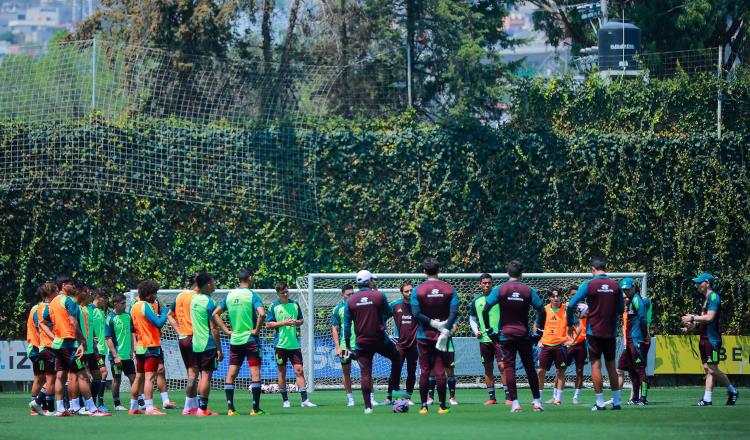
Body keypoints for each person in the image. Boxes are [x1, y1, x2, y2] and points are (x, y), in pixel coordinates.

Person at [40, 276, 108, 416]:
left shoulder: (52, 303)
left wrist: (53, 337)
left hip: (58, 344)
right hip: (70, 344)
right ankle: (93, 409)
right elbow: (73, 322)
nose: (74, 286)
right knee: (82, 375)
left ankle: (60, 409)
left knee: (61, 376)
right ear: (64, 285)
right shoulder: (68, 301)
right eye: (71, 284)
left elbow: (42, 323)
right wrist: (82, 341)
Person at [482, 260, 545, 412]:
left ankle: (515, 403)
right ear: (521, 273)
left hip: (506, 335)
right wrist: (539, 333)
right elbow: (542, 311)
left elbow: (485, 310)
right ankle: (537, 401)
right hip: (524, 335)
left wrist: (490, 331)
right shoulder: (528, 290)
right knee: (530, 367)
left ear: (508, 273)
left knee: (509, 368)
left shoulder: (500, 289)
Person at [566, 257, 624, 411]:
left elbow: (571, 305)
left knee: (596, 365)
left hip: (594, 332)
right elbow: (620, 309)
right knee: (611, 366)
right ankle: (616, 402)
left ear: (592, 269)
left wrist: (570, 323)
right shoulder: (615, 286)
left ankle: (599, 402)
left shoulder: (589, 284)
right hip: (610, 332)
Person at [343, 270, 401, 414]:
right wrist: (378, 319)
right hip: (380, 339)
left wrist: (349, 346)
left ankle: (368, 407)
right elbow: (389, 312)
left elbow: (346, 326)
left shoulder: (350, 300)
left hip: (362, 342)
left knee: (365, 374)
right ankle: (393, 394)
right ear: (369, 281)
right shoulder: (378, 295)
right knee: (397, 357)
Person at [211, 268, 266, 415]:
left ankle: (230, 409)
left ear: (238, 280)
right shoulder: (252, 295)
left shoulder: (230, 295)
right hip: (250, 340)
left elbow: (215, 313)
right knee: (255, 374)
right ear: (250, 278)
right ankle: (255, 409)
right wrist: (256, 330)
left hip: (235, 341)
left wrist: (226, 330)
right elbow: (262, 313)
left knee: (231, 374)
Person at [680, 273, 739, 406]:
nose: (696, 285)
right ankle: (707, 399)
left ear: (707, 283)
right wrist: (691, 327)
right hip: (704, 338)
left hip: (712, 340)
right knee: (708, 368)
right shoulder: (706, 299)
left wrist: (693, 317)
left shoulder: (713, 296)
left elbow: (710, 318)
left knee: (712, 369)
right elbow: (704, 322)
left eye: (699, 282)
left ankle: (732, 390)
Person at [411, 258, 459, 415]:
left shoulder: (417, 290)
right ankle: (442, 406)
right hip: (441, 336)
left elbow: (416, 313)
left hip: (424, 335)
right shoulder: (449, 289)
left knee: (424, 371)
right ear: (439, 270)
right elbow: (453, 313)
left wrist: (432, 323)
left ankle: (424, 406)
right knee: (440, 370)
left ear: (424, 271)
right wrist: (444, 329)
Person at [266, 281, 316, 408]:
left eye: (287, 291)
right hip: (280, 345)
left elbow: (301, 320)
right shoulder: (274, 306)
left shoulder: (295, 304)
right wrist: (283, 323)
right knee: (282, 372)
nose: (286, 294)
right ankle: (285, 400)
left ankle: (304, 400)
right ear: (278, 294)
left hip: (294, 345)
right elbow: (268, 324)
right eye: (283, 292)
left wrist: (296, 322)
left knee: (299, 370)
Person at [129, 279, 169, 415]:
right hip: (150, 346)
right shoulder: (145, 306)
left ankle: (133, 407)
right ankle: (150, 408)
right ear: (148, 295)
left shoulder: (134, 306)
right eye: (154, 293)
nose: (155, 296)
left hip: (140, 346)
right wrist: (165, 312)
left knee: (139, 377)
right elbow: (158, 323)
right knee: (149, 378)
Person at [469, 274, 508, 405]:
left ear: (492, 284)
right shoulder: (476, 301)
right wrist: (476, 331)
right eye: (484, 283)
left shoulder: (499, 299)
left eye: (489, 283)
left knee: (503, 366)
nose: (486, 285)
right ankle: (492, 397)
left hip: (499, 339)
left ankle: (508, 397)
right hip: (484, 340)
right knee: (488, 367)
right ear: (480, 284)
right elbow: (472, 319)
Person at [190, 272, 222, 416]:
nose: (215, 284)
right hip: (207, 344)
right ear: (208, 284)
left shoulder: (194, 299)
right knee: (206, 377)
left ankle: (199, 407)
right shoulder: (210, 303)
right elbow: (214, 328)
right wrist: (219, 349)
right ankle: (202, 409)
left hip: (196, 344)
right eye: (213, 281)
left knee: (201, 376)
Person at [615, 278, 651, 405]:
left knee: (640, 369)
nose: (626, 291)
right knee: (628, 369)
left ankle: (643, 398)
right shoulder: (630, 301)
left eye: (627, 289)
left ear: (634, 287)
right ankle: (634, 397)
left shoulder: (636, 300)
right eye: (624, 289)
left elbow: (643, 319)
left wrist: (645, 336)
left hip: (637, 341)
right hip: (630, 342)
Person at [168, 273, 200, 415]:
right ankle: (188, 407)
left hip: (183, 338)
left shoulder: (180, 296)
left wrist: (179, 330)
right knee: (194, 374)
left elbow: (169, 314)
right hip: (193, 337)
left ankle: (194, 405)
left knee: (192, 372)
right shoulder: (196, 297)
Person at [331, 284, 365, 407]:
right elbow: (334, 329)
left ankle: (371, 398)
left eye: (352, 294)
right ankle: (350, 399)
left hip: (360, 344)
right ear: (342, 295)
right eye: (348, 294)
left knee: (366, 371)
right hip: (345, 346)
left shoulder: (359, 306)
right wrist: (338, 347)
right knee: (346, 372)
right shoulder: (337, 309)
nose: (351, 296)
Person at [534, 288, 568, 405]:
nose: (555, 298)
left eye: (558, 296)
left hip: (560, 345)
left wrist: (570, 339)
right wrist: (538, 340)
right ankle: (538, 398)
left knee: (560, 372)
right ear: (549, 298)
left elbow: (575, 325)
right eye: (553, 296)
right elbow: (536, 325)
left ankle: (558, 398)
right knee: (540, 371)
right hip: (546, 345)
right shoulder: (544, 310)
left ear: (561, 297)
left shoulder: (566, 309)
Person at [29, 282, 58, 415]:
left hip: (42, 346)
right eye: (56, 291)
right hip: (44, 347)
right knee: (44, 378)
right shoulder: (43, 308)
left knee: (47, 378)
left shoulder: (37, 308)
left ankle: (40, 404)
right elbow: (41, 327)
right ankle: (40, 405)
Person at [105, 293, 136, 411]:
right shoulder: (110, 318)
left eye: (125, 303)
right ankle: (117, 404)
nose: (124, 306)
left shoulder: (128, 316)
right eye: (122, 304)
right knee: (116, 379)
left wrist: (132, 349)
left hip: (127, 356)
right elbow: (108, 338)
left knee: (133, 378)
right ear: (115, 304)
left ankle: (138, 400)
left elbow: (131, 333)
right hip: (116, 357)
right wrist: (115, 355)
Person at [389, 282, 418, 405]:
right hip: (400, 345)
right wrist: (387, 334)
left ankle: (408, 397)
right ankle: (394, 397)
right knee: (396, 371)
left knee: (411, 372)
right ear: (402, 293)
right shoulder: (395, 305)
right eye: (407, 291)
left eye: (411, 290)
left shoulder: (418, 306)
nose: (410, 293)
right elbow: (381, 317)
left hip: (414, 345)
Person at [88, 287, 110, 411]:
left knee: (98, 375)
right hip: (95, 349)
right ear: (99, 297)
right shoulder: (90, 309)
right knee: (103, 373)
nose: (106, 301)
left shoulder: (101, 311)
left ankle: (93, 403)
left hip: (102, 348)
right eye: (105, 298)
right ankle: (97, 403)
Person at [566, 298, 588, 404]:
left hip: (581, 344)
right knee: (560, 369)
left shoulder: (585, 309)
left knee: (579, 370)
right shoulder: (567, 309)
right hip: (568, 344)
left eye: (576, 294)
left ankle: (576, 396)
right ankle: (556, 396)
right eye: (572, 295)